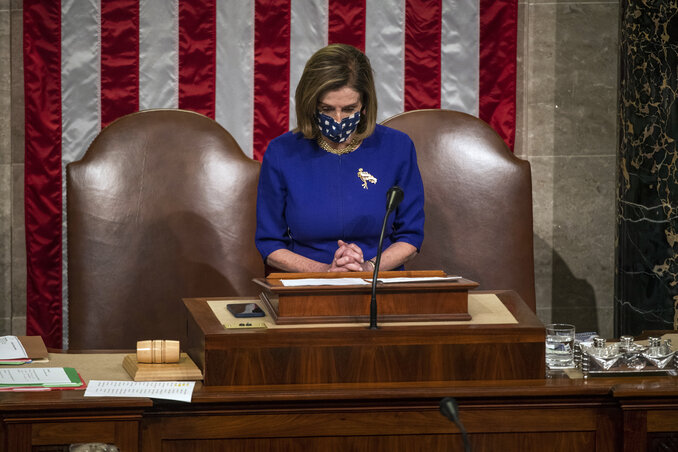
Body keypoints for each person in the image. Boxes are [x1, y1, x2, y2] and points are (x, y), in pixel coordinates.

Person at [255, 44, 424, 273]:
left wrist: (366, 269)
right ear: (310, 104)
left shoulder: (398, 147)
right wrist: (326, 272)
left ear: (364, 104)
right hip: (306, 286)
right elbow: (270, 244)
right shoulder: (281, 152)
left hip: (378, 282)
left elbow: (410, 237)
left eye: (348, 108)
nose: (337, 119)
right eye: (326, 109)